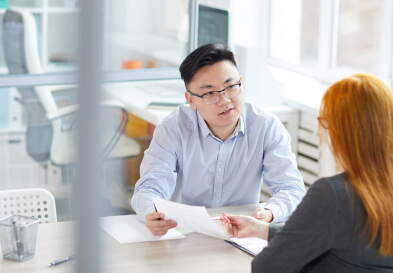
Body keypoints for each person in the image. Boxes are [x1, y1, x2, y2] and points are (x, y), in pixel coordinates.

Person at [224, 73, 393, 272]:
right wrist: (263, 230)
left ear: (341, 131)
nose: (320, 132)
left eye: (324, 122)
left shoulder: (333, 194)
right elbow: (340, 236)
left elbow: (267, 267)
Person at [131, 43, 305, 236]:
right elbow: (149, 187)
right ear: (190, 100)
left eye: (231, 86)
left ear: (241, 82)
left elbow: (291, 188)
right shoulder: (173, 128)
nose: (224, 100)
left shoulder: (266, 126)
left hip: (240, 233)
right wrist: (152, 213)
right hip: (183, 232)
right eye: (210, 93)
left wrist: (270, 213)